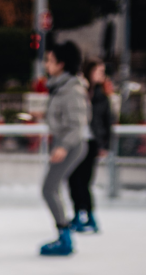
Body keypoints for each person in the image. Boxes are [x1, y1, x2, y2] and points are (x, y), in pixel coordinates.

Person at [38, 41, 89, 257]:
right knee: (52, 188)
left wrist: (63, 147)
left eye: (50, 60)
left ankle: (65, 237)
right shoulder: (60, 86)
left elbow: (77, 125)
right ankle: (64, 233)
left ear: (61, 64)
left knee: (49, 188)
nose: (46, 64)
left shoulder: (71, 90)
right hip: (65, 143)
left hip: (71, 145)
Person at [67, 59, 112, 235]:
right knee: (73, 179)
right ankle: (78, 213)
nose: (102, 75)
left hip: (92, 143)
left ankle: (90, 216)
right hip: (76, 141)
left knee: (85, 181)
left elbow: (107, 122)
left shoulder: (102, 96)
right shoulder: (79, 91)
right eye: (99, 71)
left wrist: (105, 145)